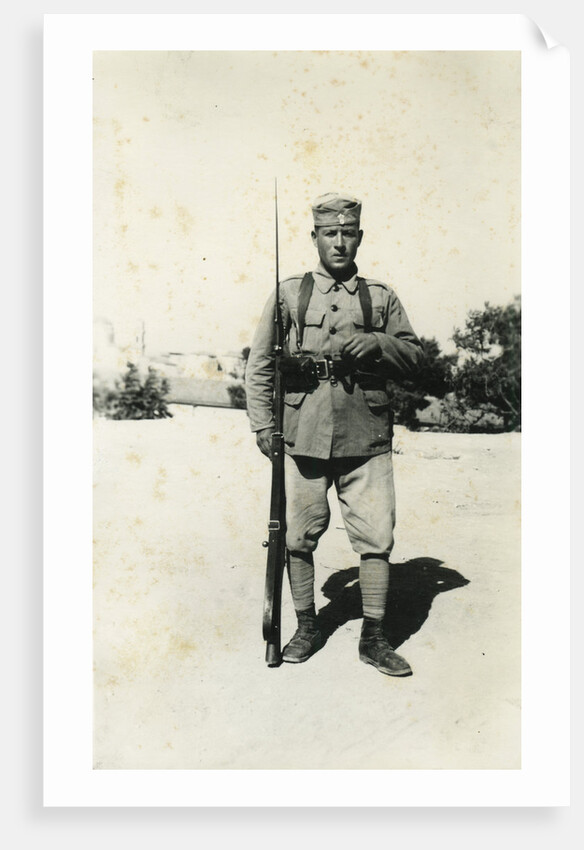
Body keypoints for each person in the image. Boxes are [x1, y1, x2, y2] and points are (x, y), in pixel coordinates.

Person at [245, 192, 424, 676]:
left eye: (348, 233)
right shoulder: (289, 293)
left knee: (375, 536)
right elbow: (260, 363)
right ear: (316, 238)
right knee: (298, 535)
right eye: (330, 233)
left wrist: (379, 344)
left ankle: (375, 637)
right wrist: (264, 423)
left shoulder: (380, 297)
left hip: (366, 436)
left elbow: (416, 358)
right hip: (301, 433)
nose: (339, 242)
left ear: (359, 237)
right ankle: (306, 626)